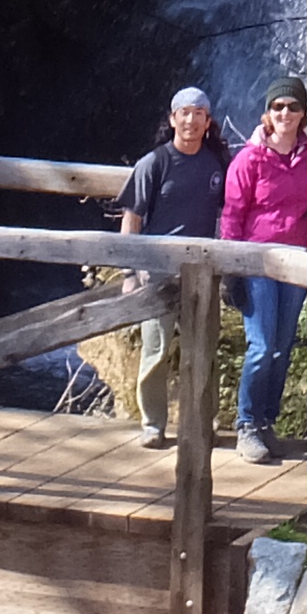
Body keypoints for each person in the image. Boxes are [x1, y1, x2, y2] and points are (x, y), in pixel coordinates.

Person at [219, 76, 307, 464]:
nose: (285, 113)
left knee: (283, 346)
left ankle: (267, 421)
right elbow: (232, 215)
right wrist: (230, 268)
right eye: (278, 107)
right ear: (267, 114)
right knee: (262, 345)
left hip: (298, 258)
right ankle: (247, 424)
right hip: (258, 260)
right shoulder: (249, 159)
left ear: (304, 114)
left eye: (293, 107)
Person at [117, 86, 231, 448]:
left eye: (199, 114)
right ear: (173, 119)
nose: (192, 120)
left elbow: (229, 215)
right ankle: (153, 424)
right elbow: (132, 218)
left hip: (202, 273)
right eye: (185, 112)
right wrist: (129, 273)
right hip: (159, 273)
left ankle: (200, 424)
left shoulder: (217, 165)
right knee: (156, 350)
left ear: (208, 122)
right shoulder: (154, 163)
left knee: (204, 351)